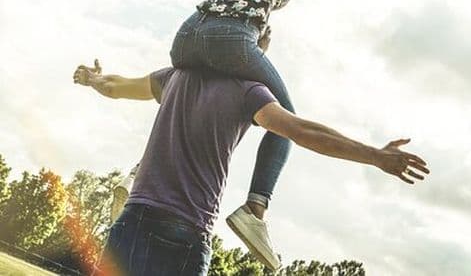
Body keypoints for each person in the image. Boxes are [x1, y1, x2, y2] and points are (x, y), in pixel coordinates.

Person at [167, 0, 438, 263]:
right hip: (231, 37)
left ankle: (140, 173)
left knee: (186, 95)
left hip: (186, 36)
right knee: (285, 121)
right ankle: (255, 210)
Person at [74, 60, 429, 275]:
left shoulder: (174, 77)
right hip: (187, 232)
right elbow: (302, 131)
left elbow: (114, 86)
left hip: (136, 221)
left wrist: (92, 79)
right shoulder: (249, 90)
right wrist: (375, 155)